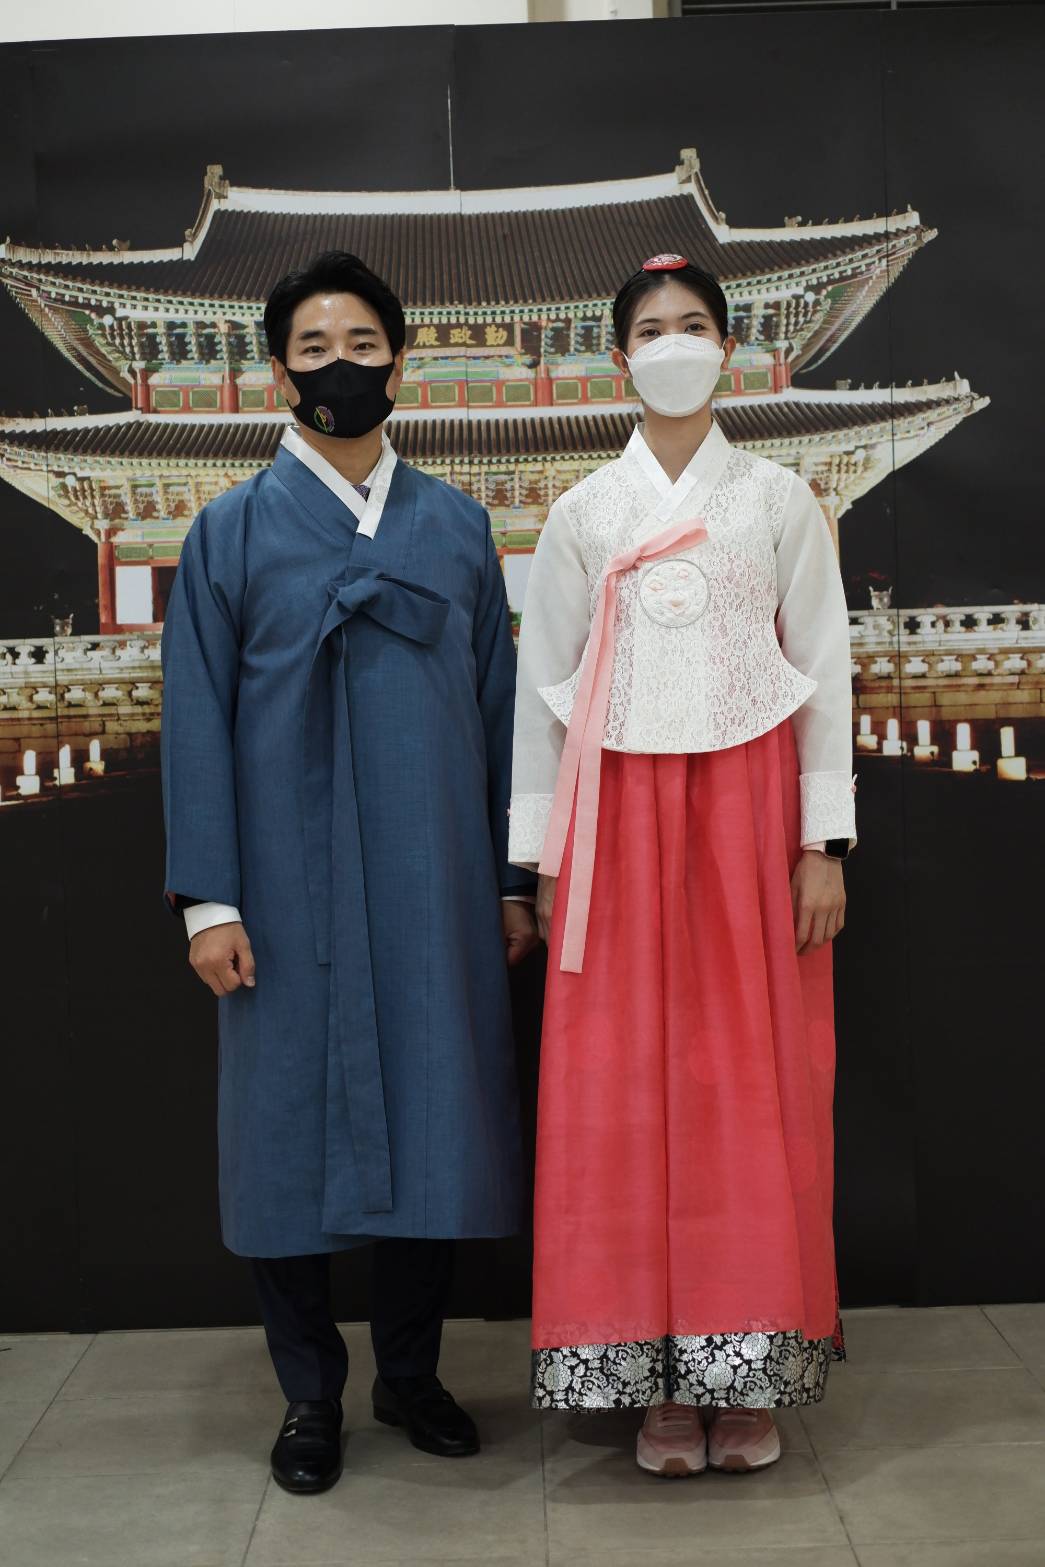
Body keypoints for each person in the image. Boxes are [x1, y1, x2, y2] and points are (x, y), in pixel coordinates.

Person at [161, 250, 538, 1494]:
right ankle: (308, 1394)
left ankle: (414, 1374)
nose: (339, 366)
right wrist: (209, 898)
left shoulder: (456, 527)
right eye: (313, 347)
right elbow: (197, 720)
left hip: (434, 881)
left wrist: (506, 880)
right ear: (277, 369)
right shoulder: (227, 533)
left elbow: (500, 717)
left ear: (399, 359)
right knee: (282, 1143)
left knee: (437, 1125)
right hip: (280, 885)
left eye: (362, 344)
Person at [509, 254, 854, 1478]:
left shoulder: (776, 499)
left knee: (743, 1077)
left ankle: (744, 1368)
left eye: (693, 324)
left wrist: (822, 844)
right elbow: (540, 701)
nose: (673, 343)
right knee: (623, 1083)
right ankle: (652, 1379)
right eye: (650, 328)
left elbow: (822, 672)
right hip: (611, 823)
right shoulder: (584, 512)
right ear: (617, 360)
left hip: (748, 820)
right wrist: (537, 863)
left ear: (728, 347)